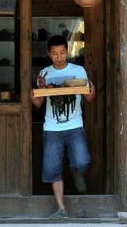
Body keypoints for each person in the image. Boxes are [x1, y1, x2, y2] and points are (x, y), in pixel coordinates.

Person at [30, 35, 95, 219]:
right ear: (49, 54)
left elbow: (88, 99)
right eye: (55, 54)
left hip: (75, 124)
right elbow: (38, 104)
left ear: (68, 51)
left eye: (62, 53)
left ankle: (76, 172)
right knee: (52, 168)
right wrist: (33, 95)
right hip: (52, 127)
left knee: (83, 161)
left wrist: (93, 91)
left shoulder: (79, 70)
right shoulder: (44, 73)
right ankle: (61, 208)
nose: (59, 57)